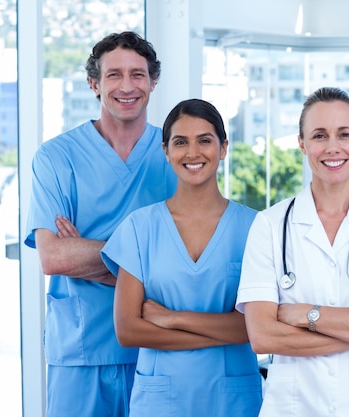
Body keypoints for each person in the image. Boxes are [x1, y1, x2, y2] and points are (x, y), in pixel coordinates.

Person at [236, 87, 349, 417]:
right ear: (302, 143)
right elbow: (263, 336)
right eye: (319, 135)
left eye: (345, 134)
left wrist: (308, 315)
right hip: (295, 407)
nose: (332, 147)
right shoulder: (270, 225)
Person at [25, 31, 176, 416]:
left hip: (157, 349)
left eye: (138, 75)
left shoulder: (176, 154)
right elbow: (55, 258)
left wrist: (88, 252)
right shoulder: (56, 157)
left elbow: (188, 262)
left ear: (153, 82)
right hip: (81, 350)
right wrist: (144, 263)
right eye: (114, 75)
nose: (127, 86)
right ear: (94, 83)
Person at [100, 98, 263, 416]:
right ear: (166, 151)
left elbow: (260, 328)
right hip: (161, 400)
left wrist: (173, 318)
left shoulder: (256, 227)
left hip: (232, 400)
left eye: (205, 140)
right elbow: (128, 330)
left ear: (223, 147)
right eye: (180, 142)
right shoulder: (140, 228)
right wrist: (224, 330)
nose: (192, 153)